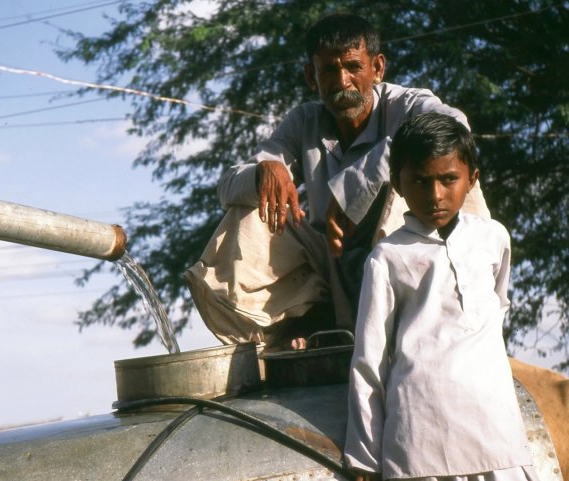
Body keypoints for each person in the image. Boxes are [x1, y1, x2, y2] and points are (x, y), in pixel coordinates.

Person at [185, 13, 489, 349]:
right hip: (333, 272)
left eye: (353, 67)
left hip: (408, 268)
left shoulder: (406, 104)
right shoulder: (304, 121)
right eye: (329, 70)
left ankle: (441, 317)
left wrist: (353, 189)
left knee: (431, 172)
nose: (342, 81)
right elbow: (227, 187)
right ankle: (303, 325)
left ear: (378, 68)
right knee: (248, 209)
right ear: (311, 77)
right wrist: (263, 172)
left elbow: (455, 126)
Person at [344, 112, 536, 481]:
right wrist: (365, 458)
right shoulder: (387, 257)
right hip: (420, 442)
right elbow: (369, 361)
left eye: (449, 179)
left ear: (472, 180)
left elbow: (495, 314)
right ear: (398, 186)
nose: (435, 195)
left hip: (496, 434)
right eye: (419, 181)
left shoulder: (494, 239)